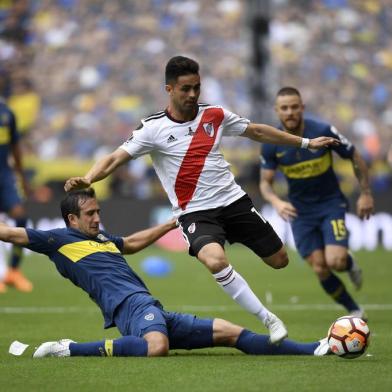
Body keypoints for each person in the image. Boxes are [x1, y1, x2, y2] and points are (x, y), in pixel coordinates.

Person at [64, 56, 339, 344]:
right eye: (186, 89)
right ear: (169, 89)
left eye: (197, 87)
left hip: (234, 202)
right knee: (214, 259)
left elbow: (256, 131)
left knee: (280, 260)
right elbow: (114, 159)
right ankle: (268, 319)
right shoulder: (152, 129)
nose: (193, 94)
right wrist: (89, 178)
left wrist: (306, 142)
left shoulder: (215, 115)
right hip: (195, 213)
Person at [3, 188, 330, 358]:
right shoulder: (57, 240)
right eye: (90, 214)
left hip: (149, 307)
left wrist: (171, 222)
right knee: (156, 347)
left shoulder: (102, 239)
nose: (97, 218)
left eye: (98, 212)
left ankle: (313, 348)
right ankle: (69, 348)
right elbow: (9, 233)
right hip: (129, 307)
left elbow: (130, 243)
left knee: (232, 332)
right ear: (72, 220)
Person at [259, 87, 374, 319]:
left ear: (302, 107)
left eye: (294, 106)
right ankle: (354, 310)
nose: (290, 112)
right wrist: (276, 202)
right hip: (299, 212)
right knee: (320, 267)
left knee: (336, 261)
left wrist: (365, 193)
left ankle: (349, 262)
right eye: (284, 108)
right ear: (277, 111)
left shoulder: (322, 130)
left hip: (330, 204)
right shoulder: (272, 142)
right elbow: (265, 183)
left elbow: (354, 156)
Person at [0, 97, 32, 293]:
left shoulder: (6, 113)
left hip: (4, 176)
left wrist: (22, 178)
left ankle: (14, 270)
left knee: (21, 216)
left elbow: (16, 148)